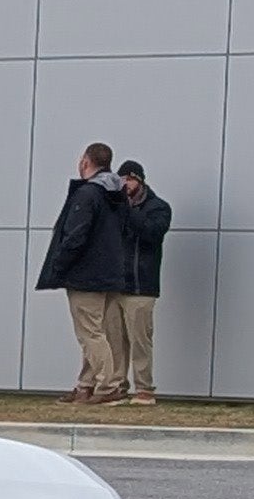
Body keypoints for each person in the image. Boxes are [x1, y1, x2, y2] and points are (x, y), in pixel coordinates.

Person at [35, 143, 132, 404]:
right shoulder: (117, 195)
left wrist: (59, 265)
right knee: (98, 332)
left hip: (85, 274)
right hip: (110, 273)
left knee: (90, 333)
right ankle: (85, 386)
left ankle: (108, 386)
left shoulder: (87, 194)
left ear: (86, 162)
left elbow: (75, 236)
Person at [111, 159, 172, 404]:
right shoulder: (113, 208)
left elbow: (151, 234)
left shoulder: (158, 208)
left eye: (130, 179)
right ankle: (117, 386)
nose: (126, 184)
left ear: (140, 180)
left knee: (140, 341)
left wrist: (127, 211)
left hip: (141, 286)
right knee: (114, 340)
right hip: (114, 284)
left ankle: (144, 389)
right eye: (122, 179)